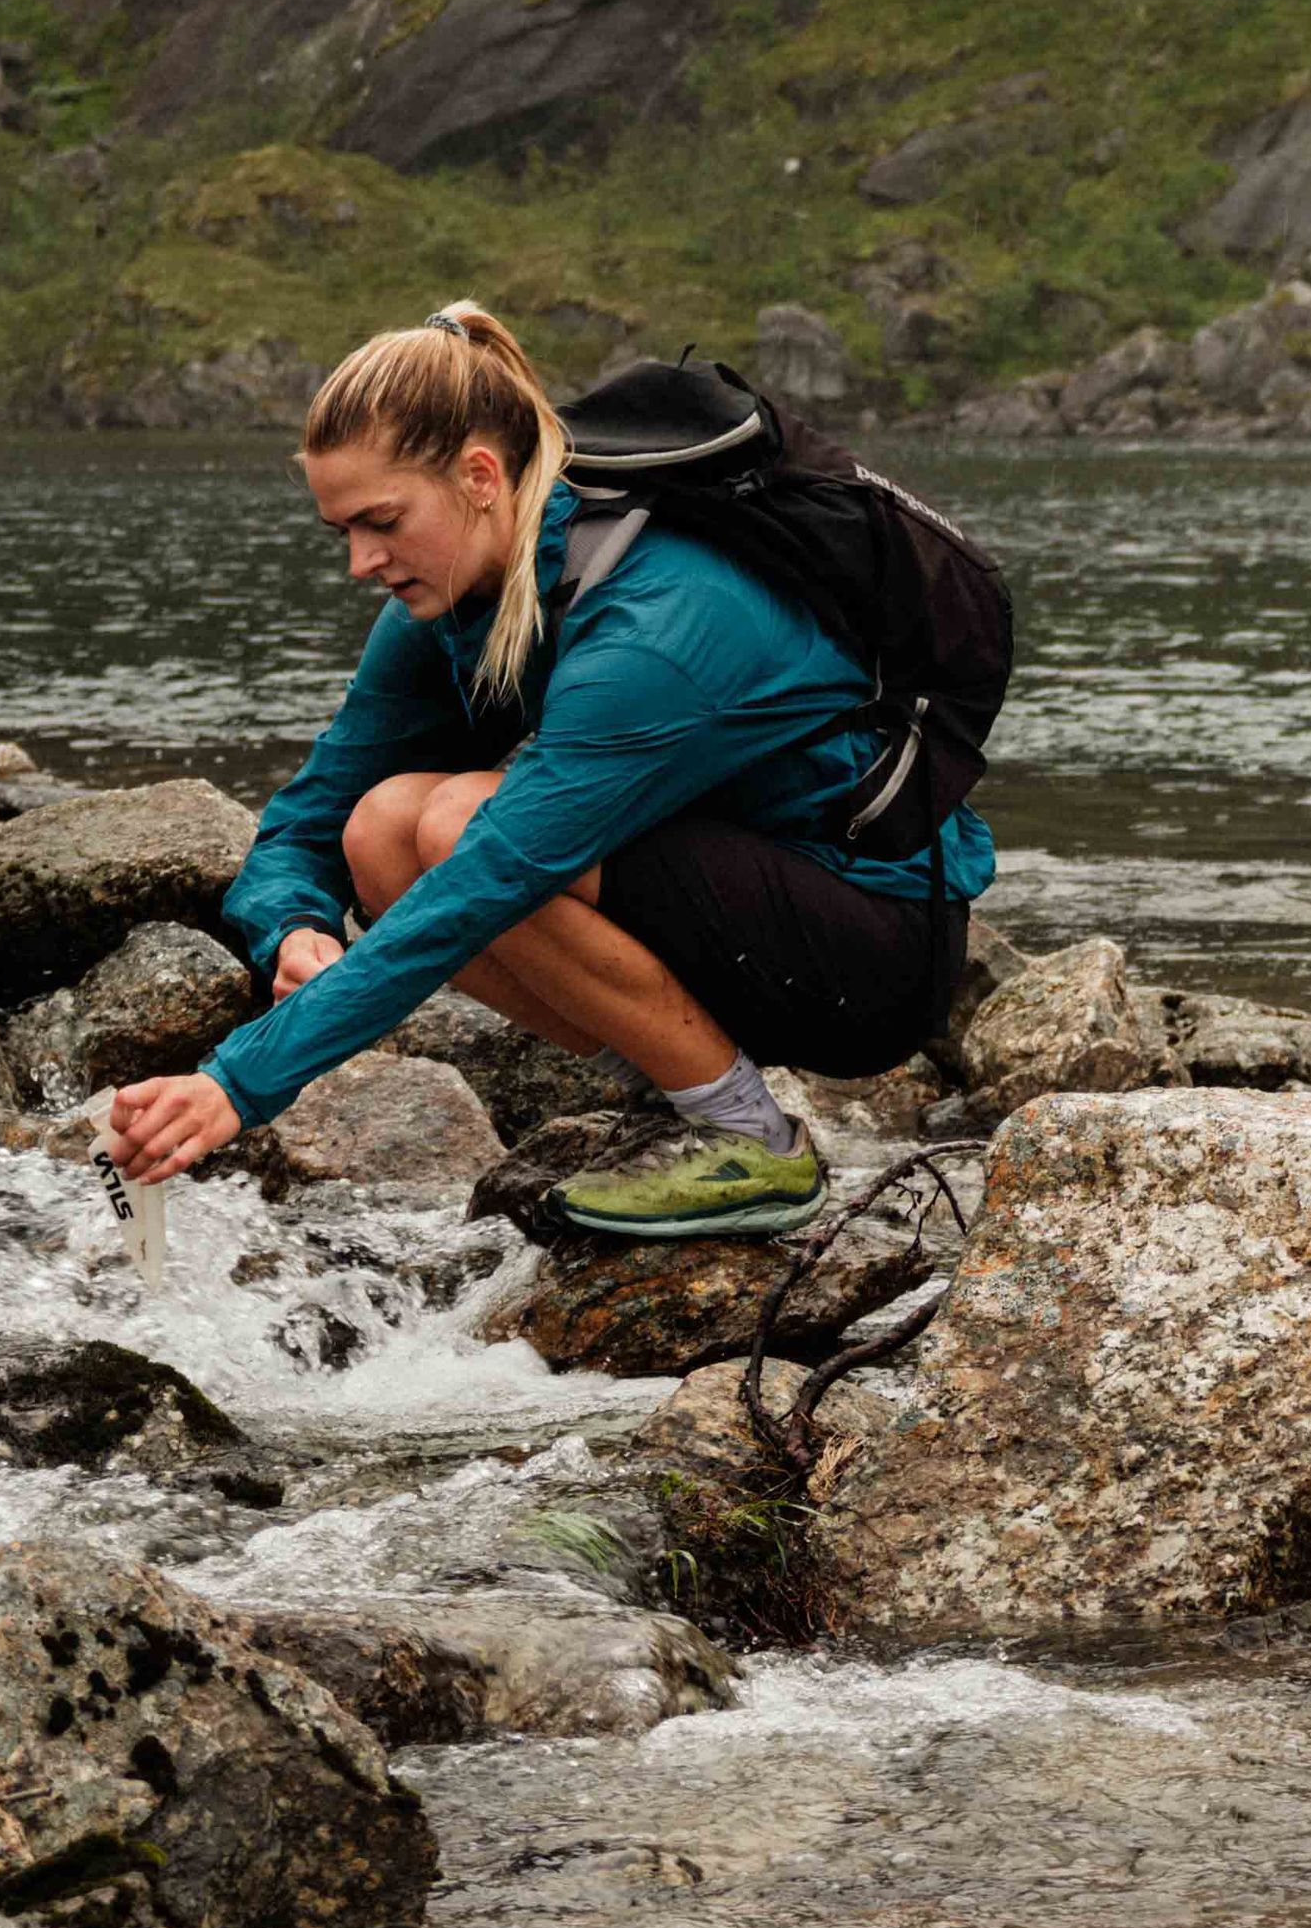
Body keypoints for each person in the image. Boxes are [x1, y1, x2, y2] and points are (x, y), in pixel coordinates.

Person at [93, 297, 982, 1237]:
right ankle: (668, 1093)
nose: (360, 560)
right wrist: (295, 927)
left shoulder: (659, 621)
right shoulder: (455, 599)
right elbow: (315, 811)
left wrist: (239, 1081)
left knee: (453, 828)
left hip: (874, 951)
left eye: (382, 521)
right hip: (735, 917)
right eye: (342, 530)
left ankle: (748, 1138)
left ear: (480, 475)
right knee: (383, 826)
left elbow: (494, 876)